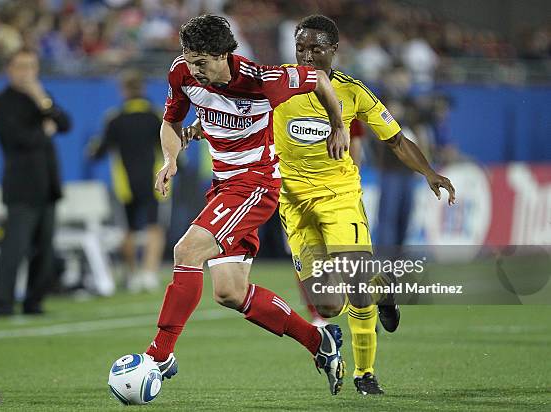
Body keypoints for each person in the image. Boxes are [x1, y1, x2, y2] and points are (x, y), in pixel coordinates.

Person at [147, 14, 350, 395]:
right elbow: (171, 123)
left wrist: (338, 125)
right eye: (189, 60)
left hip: (255, 185)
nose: (194, 70)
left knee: (186, 250)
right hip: (222, 185)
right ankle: (318, 342)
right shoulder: (181, 73)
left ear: (225, 54)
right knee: (229, 292)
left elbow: (320, 79)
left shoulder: (263, 81)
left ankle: (160, 355)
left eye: (202, 62)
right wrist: (171, 160)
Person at [272, 15, 455, 395]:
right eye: (300, 48)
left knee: (355, 282)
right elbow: (234, 112)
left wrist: (428, 172)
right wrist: (194, 129)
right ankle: (382, 287)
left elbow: (396, 140)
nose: (306, 56)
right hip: (293, 205)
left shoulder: (354, 92)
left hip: (340, 198)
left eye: (316, 49)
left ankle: (365, 373)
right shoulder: (276, 83)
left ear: (334, 51)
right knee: (326, 306)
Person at [0, 47, 71, 316]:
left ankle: (33, 301)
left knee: (44, 250)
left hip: (47, 183)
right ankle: (2, 302)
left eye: (31, 67)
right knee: (15, 247)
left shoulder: (42, 98)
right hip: (21, 185)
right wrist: (45, 130)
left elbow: (65, 123)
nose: (27, 73)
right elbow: (16, 140)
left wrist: (42, 101)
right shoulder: (1, 102)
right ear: (9, 70)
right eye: (21, 67)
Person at [89, 69, 166, 292]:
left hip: (125, 184)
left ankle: (133, 275)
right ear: (142, 88)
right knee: (154, 227)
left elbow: (98, 152)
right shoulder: (155, 116)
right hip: (154, 180)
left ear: (123, 90)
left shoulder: (115, 119)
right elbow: (170, 146)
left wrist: (92, 149)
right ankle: (149, 274)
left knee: (129, 229)